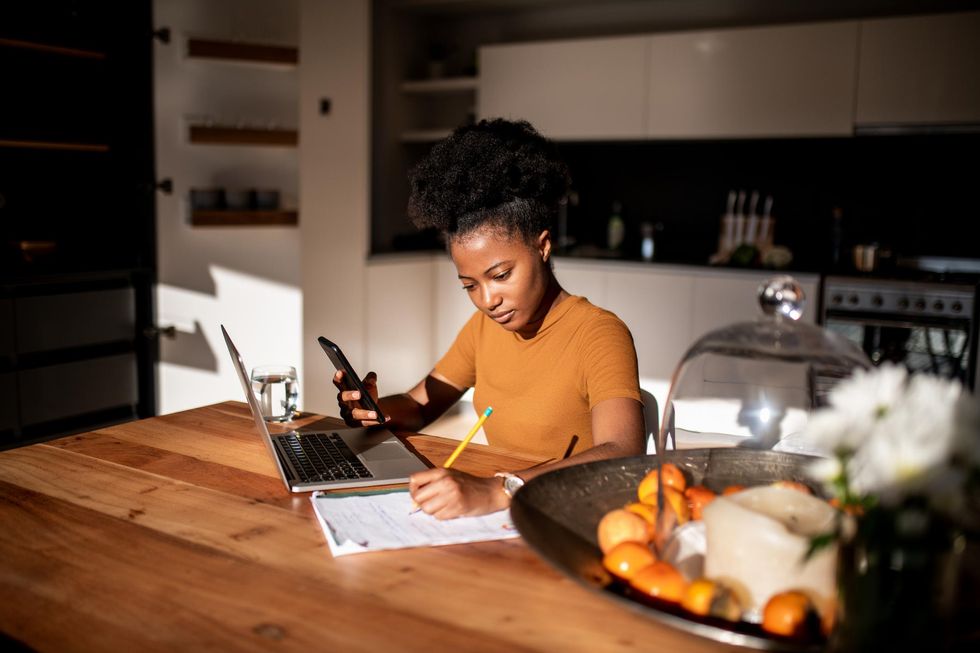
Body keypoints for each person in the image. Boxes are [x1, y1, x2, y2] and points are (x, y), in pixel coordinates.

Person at [334, 118, 644, 519]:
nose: (488, 300)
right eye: (469, 286)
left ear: (543, 246)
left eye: (500, 276)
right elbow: (418, 403)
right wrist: (377, 410)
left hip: (568, 516)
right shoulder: (485, 329)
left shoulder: (598, 333)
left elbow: (623, 451)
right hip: (501, 519)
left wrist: (501, 488)